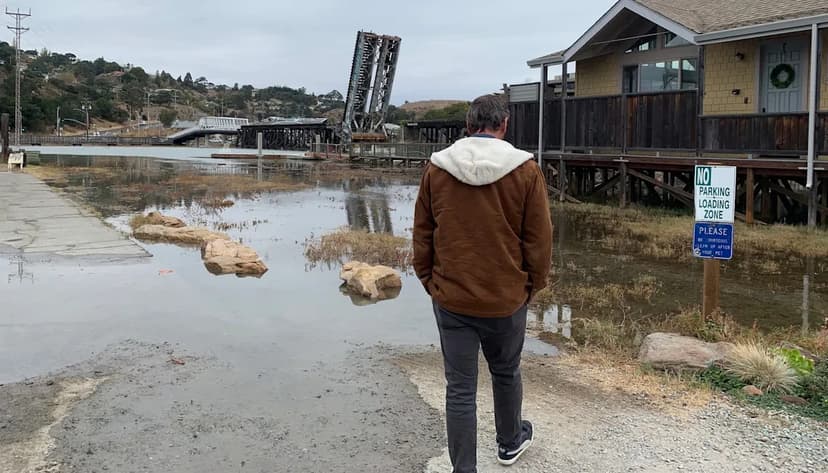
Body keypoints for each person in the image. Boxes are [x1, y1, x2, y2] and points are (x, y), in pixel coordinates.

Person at [413, 94, 553, 472]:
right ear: (504, 125)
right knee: (505, 372)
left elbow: (423, 234)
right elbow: (539, 239)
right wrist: (531, 286)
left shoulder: (437, 169)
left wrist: (430, 280)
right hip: (506, 296)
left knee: (459, 388)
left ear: (468, 124)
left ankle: (464, 468)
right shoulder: (525, 170)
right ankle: (509, 442)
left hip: (452, 296)